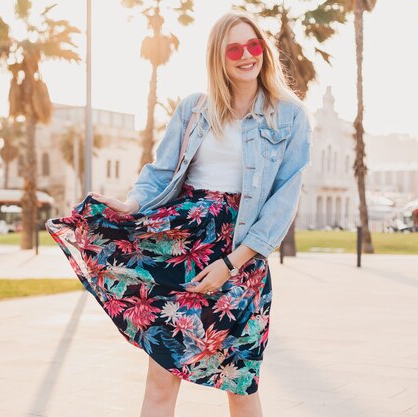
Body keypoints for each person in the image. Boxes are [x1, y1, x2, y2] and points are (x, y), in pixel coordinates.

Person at [45, 9, 312, 417]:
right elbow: (162, 171)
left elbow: (283, 200)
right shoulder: (194, 109)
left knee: (239, 382)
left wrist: (231, 263)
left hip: (241, 257)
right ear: (218, 58)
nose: (247, 55)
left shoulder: (289, 115)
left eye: (253, 45)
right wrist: (132, 203)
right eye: (234, 48)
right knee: (161, 378)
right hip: (181, 244)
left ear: (265, 50)